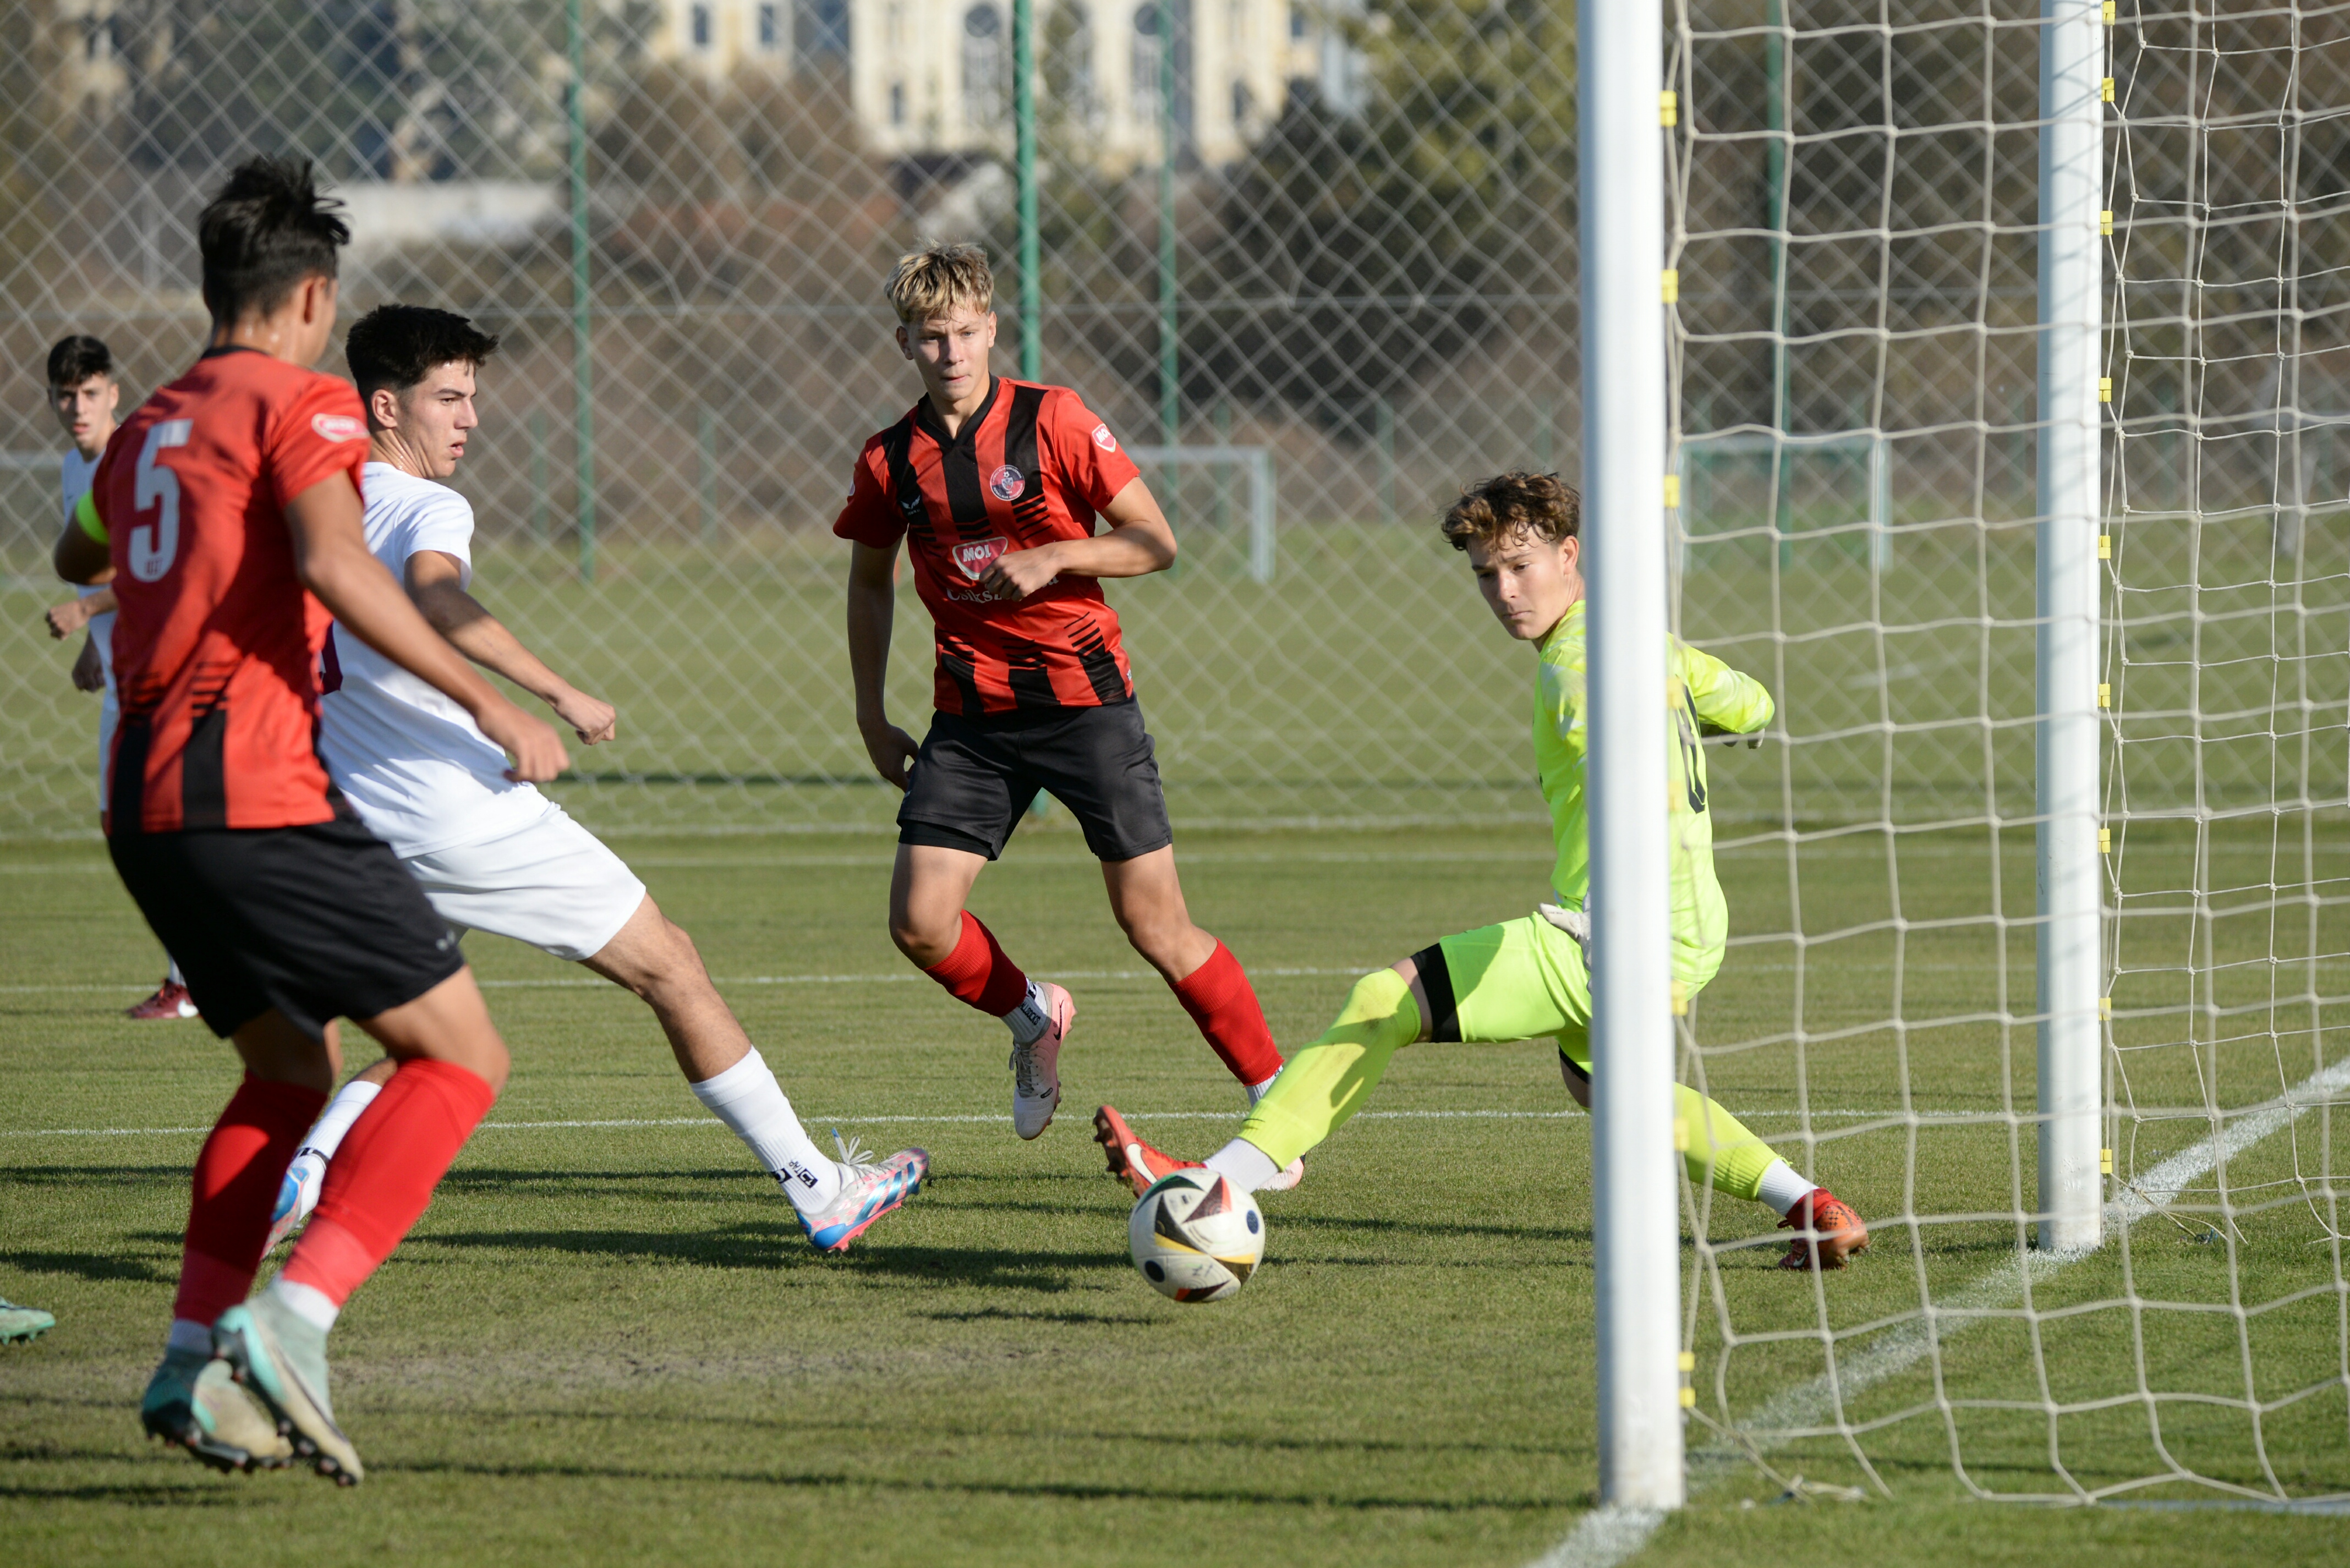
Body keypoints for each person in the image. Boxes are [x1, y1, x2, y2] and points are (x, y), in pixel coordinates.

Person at [54, 155, 571, 1484]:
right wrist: (493, 704)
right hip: (255, 788)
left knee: (288, 1074)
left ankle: (188, 1358)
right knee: (459, 1057)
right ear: (313, 299)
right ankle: (292, 1321)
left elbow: (79, 553)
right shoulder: (303, 401)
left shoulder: (151, 421)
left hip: (144, 805)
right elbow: (340, 564)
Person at [264, 303, 924, 1258]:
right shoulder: (425, 507)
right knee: (672, 966)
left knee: (428, 1029)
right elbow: (438, 596)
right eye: (447, 397)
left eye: (472, 396)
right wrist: (555, 690)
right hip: (459, 812)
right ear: (385, 406)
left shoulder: (310, 504)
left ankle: (307, 1167)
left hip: (354, 818)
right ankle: (822, 1191)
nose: (470, 418)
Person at [1094, 472, 1870, 1271]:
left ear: (1568, 555)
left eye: (1519, 566)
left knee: (1383, 1001)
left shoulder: (1576, 672)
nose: (1503, 591)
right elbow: (1752, 705)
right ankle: (1810, 1206)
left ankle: (1215, 1184)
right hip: (1688, 928)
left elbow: (1618, 768)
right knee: (1602, 1084)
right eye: (1484, 574)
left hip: (1617, 933)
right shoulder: (1638, 641)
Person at [834, 243, 1295, 1177]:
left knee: (1156, 926)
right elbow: (869, 584)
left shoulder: (1055, 419)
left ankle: (1278, 1105)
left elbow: (1155, 542)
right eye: (931, 336)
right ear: (904, 343)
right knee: (919, 922)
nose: (951, 352)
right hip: (971, 719)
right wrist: (870, 715)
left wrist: (1056, 556)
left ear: (991, 329)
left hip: (1087, 706)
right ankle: (1031, 1015)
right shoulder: (889, 460)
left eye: (965, 332)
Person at [36, 336, 196, 1021]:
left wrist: (86, 610)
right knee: (129, 832)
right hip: (124, 674)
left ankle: (192, 983)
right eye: (66, 395)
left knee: (163, 833)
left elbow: (164, 566)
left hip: (165, 677)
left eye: (91, 393)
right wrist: (94, 645)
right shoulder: (76, 466)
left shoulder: (137, 458)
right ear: (51, 399)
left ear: (114, 394)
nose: (78, 407)